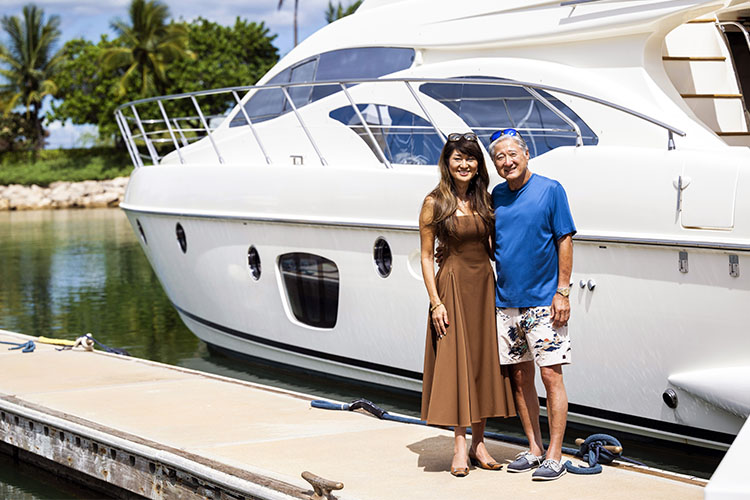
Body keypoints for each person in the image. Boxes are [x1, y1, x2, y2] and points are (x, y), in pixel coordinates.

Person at [419, 132, 515, 478]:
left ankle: (479, 443)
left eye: (470, 158)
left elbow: (494, 248)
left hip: (484, 286)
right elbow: (426, 256)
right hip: (453, 287)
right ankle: (460, 446)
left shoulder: (485, 200)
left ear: (478, 164)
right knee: (457, 364)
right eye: (457, 158)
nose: (464, 164)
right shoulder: (434, 202)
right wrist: (436, 303)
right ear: (447, 163)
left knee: (482, 363)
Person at [489, 128, 575, 481]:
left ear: (526, 154)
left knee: (551, 375)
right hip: (507, 303)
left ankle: (556, 454)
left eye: (513, 154)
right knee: (520, 377)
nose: (507, 161)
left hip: (543, 302)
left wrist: (562, 291)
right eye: (500, 157)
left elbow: (564, 239)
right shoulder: (496, 195)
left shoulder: (550, 190)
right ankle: (535, 448)